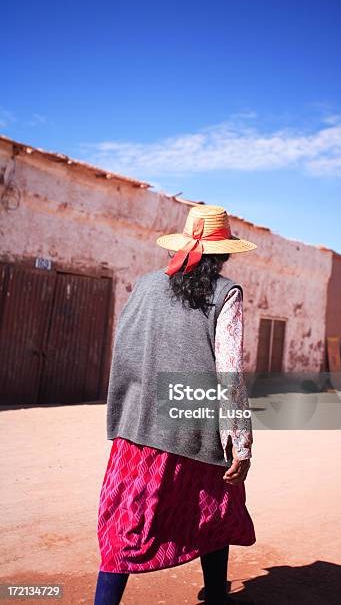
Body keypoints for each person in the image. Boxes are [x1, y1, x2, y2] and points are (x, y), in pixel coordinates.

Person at [94, 204, 257, 605]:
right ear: (224, 254)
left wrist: (126, 411)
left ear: (182, 245)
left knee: (125, 523)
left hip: (139, 426)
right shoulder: (226, 293)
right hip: (195, 425)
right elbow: (229, 369)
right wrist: (242, 441)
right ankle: (217, 595)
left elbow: (126, 353)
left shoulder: (146, 285)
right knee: (214, 509)